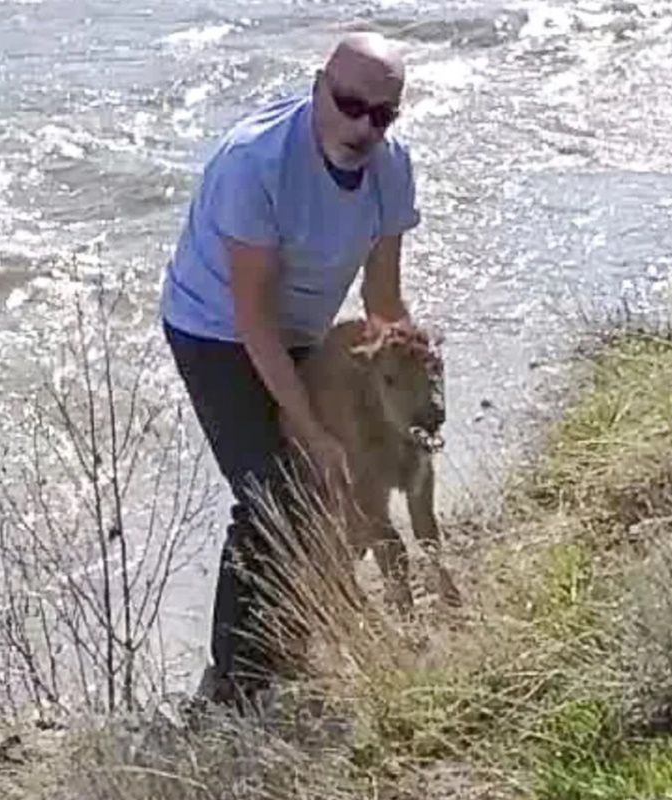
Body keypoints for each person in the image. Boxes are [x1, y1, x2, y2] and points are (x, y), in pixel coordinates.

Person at [159, 31, 421, 709]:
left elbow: (383, 301)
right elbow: (253, 320)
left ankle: (294, 637)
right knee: (276, 489)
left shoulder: (392, 169)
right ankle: (235, 688)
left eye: (382, 114)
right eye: (350, 103)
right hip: (215, 327)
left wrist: (412, 358)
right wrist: (310, 429)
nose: (364, 125)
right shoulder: (257, 164)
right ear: (317, 87)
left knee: (349, 475)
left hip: (303, 328)